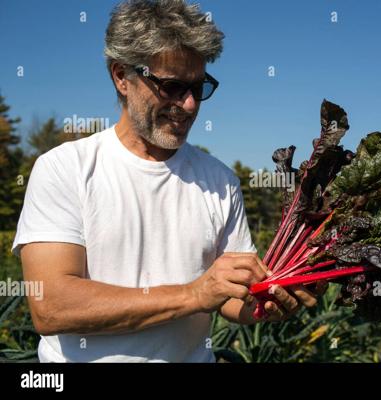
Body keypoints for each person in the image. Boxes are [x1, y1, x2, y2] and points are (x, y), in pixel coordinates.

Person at [12, 0, 326, 362]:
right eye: (173, 86)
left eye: (198, 87)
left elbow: (229, 301)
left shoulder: (220, 180)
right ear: (121, 76)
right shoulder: (64, 168)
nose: (189, 105)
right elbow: (52, 306)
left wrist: (268, 302)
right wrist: (194, 294)